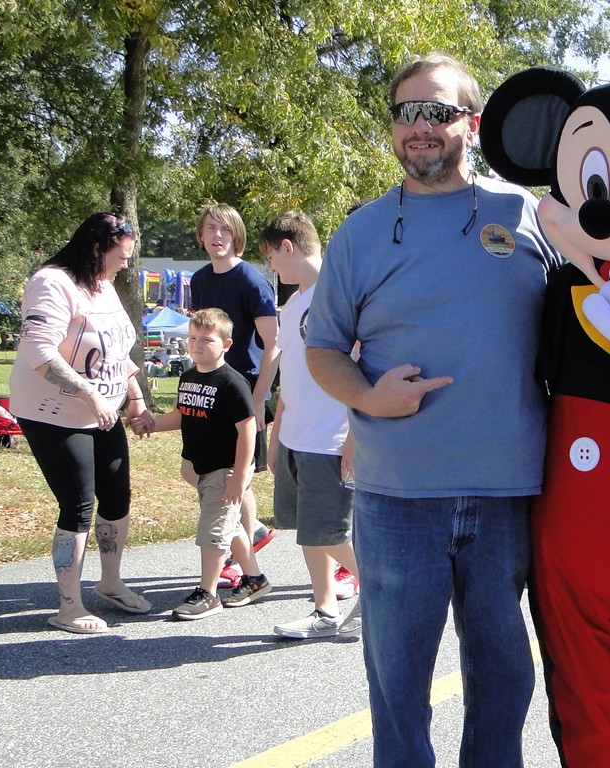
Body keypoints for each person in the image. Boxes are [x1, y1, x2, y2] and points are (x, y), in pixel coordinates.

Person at [304, 52, 561, 767]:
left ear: (471, 125)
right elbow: (322, 348)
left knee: (504, 680)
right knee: (398, 685)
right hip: (397, 497)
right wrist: (366, 396)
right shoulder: (359, 232)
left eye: (438, 111)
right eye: (406, 111)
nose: (420, 126)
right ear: (392, 129)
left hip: (508, 493)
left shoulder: (528, 216)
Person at [9, 212, 152, 634]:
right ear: (96, 247)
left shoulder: (103, 285)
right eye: (121, 256)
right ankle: (68, 605)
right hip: (54, 415)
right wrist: (89, 394)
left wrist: (135, 396)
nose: (125, 264)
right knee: (78, 505)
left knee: (117, 496)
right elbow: (39, 352)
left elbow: (115, 352)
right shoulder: (52, 283)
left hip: (104, 413)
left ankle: (109, 583)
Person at [259, 211, 361, 639]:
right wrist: (276, 433)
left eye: (271, 257)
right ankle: (324, 610)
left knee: (328, 530)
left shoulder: (338, 294)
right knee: (306, 530)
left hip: (330, 437)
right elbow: (292, 376)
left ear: (289, 246)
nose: (271, 268)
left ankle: (379, 589)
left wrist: (355, 437)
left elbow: (361, 369)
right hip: (295, 437)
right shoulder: (292, 304)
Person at [132, 308, 272, 620]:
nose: (196, 345)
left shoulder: (232, 383)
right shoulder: (189, 376)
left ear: (226, 344)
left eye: (206, 340)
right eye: (192, 338)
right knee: (228, 523)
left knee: (213, 531)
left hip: (227, 468)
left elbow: (248, 430)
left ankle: (208, 593)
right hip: (202, 467)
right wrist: (151, 423)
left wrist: (239, 476)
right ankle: (254, 579)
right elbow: (182, 416)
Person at [188, 202, 279, 587]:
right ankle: (252, 531)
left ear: (236, 235)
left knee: (233, 477)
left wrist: (258, 400)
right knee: (203, 473)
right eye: (210, 228)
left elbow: (274, 345)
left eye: (224, 229)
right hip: (210, 391)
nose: (217, 236)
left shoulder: (251, 282)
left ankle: (235, 554)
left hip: (243, 393)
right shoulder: (199, 280)